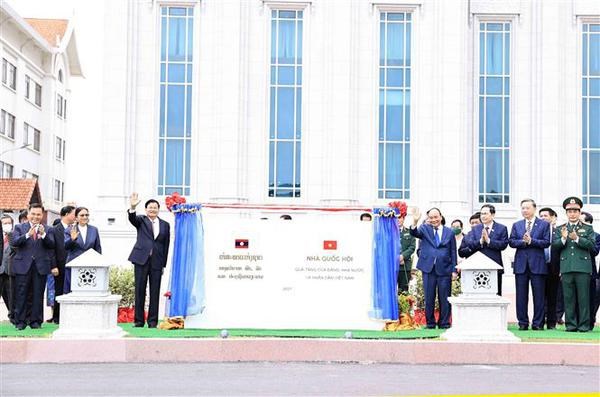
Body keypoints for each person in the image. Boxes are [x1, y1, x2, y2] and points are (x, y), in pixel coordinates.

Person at [10, 203, 56, 330]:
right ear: (28, 213)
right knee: (21, 294)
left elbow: (52, 245)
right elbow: (14, 242)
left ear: (42, 215)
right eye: (33, 214)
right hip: (23, 265)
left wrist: (44, 235)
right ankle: (20, 322)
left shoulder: (48, 229)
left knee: (38, 295)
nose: (36, 217)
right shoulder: (19, 227)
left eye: (39, 214)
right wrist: (27, 235)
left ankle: (36, 321)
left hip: (40, 266)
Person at [552, 197, 595, 332]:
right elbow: (555, 246)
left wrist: (577, 238)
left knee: (583, 299)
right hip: (566, 267)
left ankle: (584, 326)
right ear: (566, 213)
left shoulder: (587, 228)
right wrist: (564, 238)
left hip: (582, 268)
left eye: (575, 211)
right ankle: (570, 325)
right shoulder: (560, 229)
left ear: (579, 212)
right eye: (569, 211)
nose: (572, 213)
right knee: (568, 298)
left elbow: (591, 245)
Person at [128, 193, 171, 328]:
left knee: (155, 291)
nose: (152, 209)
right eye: (150, 207)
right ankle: (139, 321)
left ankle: (152, 322)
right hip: (141, 260)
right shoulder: (141, 220)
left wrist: (163, 264)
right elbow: (132, 218)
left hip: (157, 262)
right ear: (146, 209)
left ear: (159, 209)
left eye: (155, 207)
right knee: (140, 290)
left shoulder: (165, 225)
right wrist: (133, 207)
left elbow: (166, 245)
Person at [409, 207, 457, 329]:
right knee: (429, 297)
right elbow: (414, 233)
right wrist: (415, 221)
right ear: (428, 219)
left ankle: (444, 323)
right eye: (431, 217)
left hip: (444, 268)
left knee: (445, 297)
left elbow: (453, 251)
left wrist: (454, 270)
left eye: (436, 217)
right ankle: (430, 323)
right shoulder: (424, 229)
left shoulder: (449, 232)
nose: (434, 219)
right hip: (428, 268)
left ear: (441, 217)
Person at [509, 198, 551, 330]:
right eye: (523, 208)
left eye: (527, 208)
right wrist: (523, 242)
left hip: (537, 265)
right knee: (521, 296)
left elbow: (546, 242)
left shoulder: (543, 224)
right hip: (521, 265)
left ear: (534, 209)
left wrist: (532, 241)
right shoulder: (517, 225)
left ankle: (538, 323)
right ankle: (522, 322)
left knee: (538, 296)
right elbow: (511, 242)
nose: (525, 210)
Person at [459, 204, 509, 295]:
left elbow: (503, 245)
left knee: (495, 294)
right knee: (478, 294)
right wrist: (480, 241)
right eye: (482, 214)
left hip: (495, 266)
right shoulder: (476, 229)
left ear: (493, 215)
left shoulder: (501, 228)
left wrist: (489, 241)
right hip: (477, 267)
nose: (483, 216)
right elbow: (470, 244)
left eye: (485, 213)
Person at [64, 207, 102, 294]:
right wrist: (72, 239)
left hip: (90, 266)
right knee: (72, 292)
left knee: (88, 291)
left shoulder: (94, 230)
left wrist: (98, 263)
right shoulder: (70, 229)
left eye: (86, 215)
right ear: (76, 218)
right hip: (74, 265)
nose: (85, 217)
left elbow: (98, 248)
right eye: (82, 215)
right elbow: (66, 246)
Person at [49, 206, 75, 323]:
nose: (75, 216)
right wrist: (53, 266)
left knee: (72, 291)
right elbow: (52, 249)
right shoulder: (54, 230)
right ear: (66, 214)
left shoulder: (76, 229)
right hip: (59, 265)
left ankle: (71, 316)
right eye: (74, 214)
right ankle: (57, 317)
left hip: (74, 265)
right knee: (59, 291)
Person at [538, 207, 561, 329]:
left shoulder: (558, 232)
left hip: (554, 267)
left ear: (553, 218)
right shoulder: (537, 231)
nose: (543, 218)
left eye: (545, 216)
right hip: (539, 267)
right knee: (539, 296)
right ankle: (539, 321)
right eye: (541, 216)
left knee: (553, 296)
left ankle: (552, 322)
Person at [580, 211, 600, 330]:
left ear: (589, 223)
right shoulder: (571, 234)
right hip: (574, 270)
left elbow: (595, 251)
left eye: (582, 221)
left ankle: (589, 322)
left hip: (590, 271)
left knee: (591, 298)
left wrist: (580, 240)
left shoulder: (596, 236)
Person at [1, 215, 15, 323]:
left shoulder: (15, 236)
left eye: (8, 223)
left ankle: (13, 316)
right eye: (4, 223)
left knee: (10, 296)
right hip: (0, 269)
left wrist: (10, 236)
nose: (6, 225)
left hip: (10, 270)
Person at [397, 213, 416, 293]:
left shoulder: (409, 232)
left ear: (403, 218)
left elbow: (412, 247)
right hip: (391, 266)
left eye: (400, 217)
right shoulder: (388, 233)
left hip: (405, 265)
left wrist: (403, 256)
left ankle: (404, 306)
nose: (398, 220)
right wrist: (396, 257)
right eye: (396, 218)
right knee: (390, 290)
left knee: (404, 291)